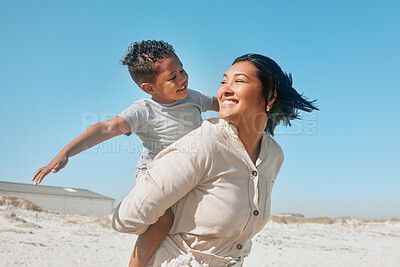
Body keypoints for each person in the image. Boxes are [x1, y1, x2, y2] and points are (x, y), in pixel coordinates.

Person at [112, 53, 318, 266]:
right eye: (223, 82)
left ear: (270, 97)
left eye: (239, 81)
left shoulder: (273, 155)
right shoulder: (202, 144)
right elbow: (128, 217)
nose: (225, 89)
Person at [31, 40, 219, 267]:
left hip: (191, 173)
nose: (182, 78)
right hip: (154, 173)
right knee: (164, 219)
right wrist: (65, 154)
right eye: (173, 77)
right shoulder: (144, 110)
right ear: (150, 88)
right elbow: (106, 128)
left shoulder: (194, 98)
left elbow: (224, 106)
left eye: (182, 70)